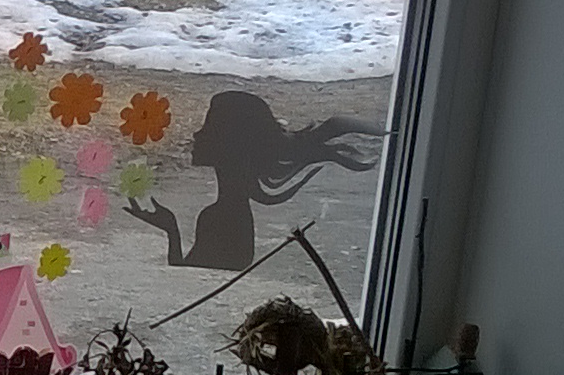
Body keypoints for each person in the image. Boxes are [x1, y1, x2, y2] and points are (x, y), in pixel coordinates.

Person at [125, 91, 381, 270]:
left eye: (209, 127)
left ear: (230, 144)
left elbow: (194, 281)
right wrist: (170, 227)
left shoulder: (220, 218)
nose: (197, 134)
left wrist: (172, 229)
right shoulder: (226, 213)